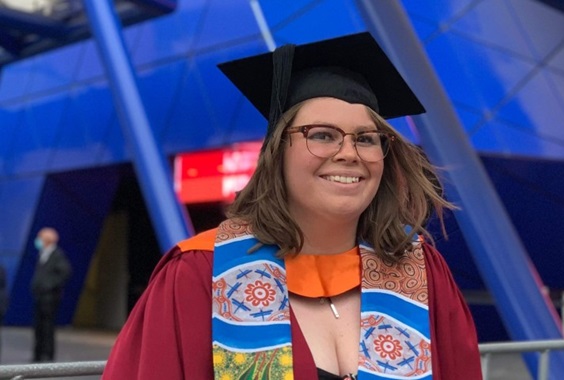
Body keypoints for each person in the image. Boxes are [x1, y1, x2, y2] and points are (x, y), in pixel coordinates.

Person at [103, 32, 482, 379]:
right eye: (322, 135)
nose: (349, 154)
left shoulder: (421, 273)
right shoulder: (199, 273)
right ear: (276, 152)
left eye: (366, 138)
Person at [30, 227, 72, 362]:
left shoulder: (57, 255)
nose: (38, 241)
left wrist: (48, 286)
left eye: (40, 238)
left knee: (48, 327)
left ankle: (47, 355)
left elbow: (65, 273)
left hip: (50, 298)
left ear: (47, 240)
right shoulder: (42, 254)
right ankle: (38, 353)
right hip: (40, 297)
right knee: (38, 327)